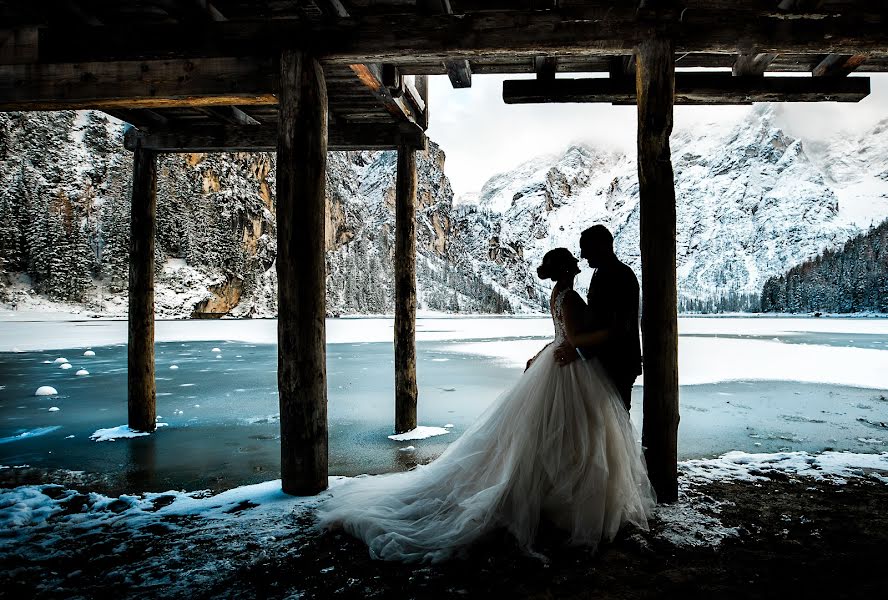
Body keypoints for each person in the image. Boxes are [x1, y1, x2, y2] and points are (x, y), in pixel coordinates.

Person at [314, 248, 655, 564]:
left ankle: (551, 502)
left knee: (552, 435)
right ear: (568, 270)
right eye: (574, 266)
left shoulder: (558, 295)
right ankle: (560, 506)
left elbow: (560, 337)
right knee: (574, 436)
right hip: (570, 368)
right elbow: (574, 338)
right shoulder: (569, 297)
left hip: (558, 363)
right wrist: (601, 337)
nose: (579, 269)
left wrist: (545, 353)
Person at [554, 225, 641, 412]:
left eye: (586, 248)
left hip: (618, 362)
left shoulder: (620, 276)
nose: (583, 255)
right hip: (603, 362)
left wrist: (579, 351)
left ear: (601, 246)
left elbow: (619, 328)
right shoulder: (602, 273)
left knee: (616, 422)